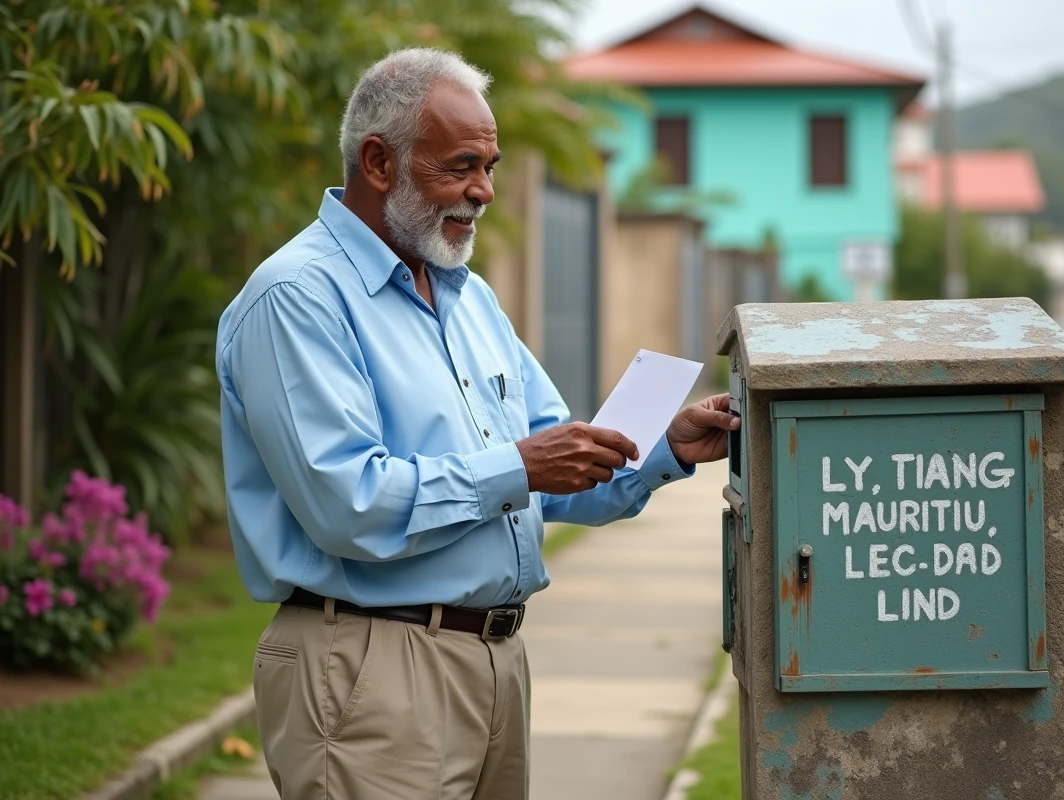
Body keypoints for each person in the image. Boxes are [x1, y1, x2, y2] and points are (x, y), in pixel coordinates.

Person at [216, 47, 738, 800]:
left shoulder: (468, 297)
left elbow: (551, 477)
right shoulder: (297, 299)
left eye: (490, 166)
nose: (484, 191)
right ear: (379, 162)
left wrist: (662, 449)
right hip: (372, 665)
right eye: (461, 166)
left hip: (495, 662)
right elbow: (345, 504)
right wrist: (519, 467)